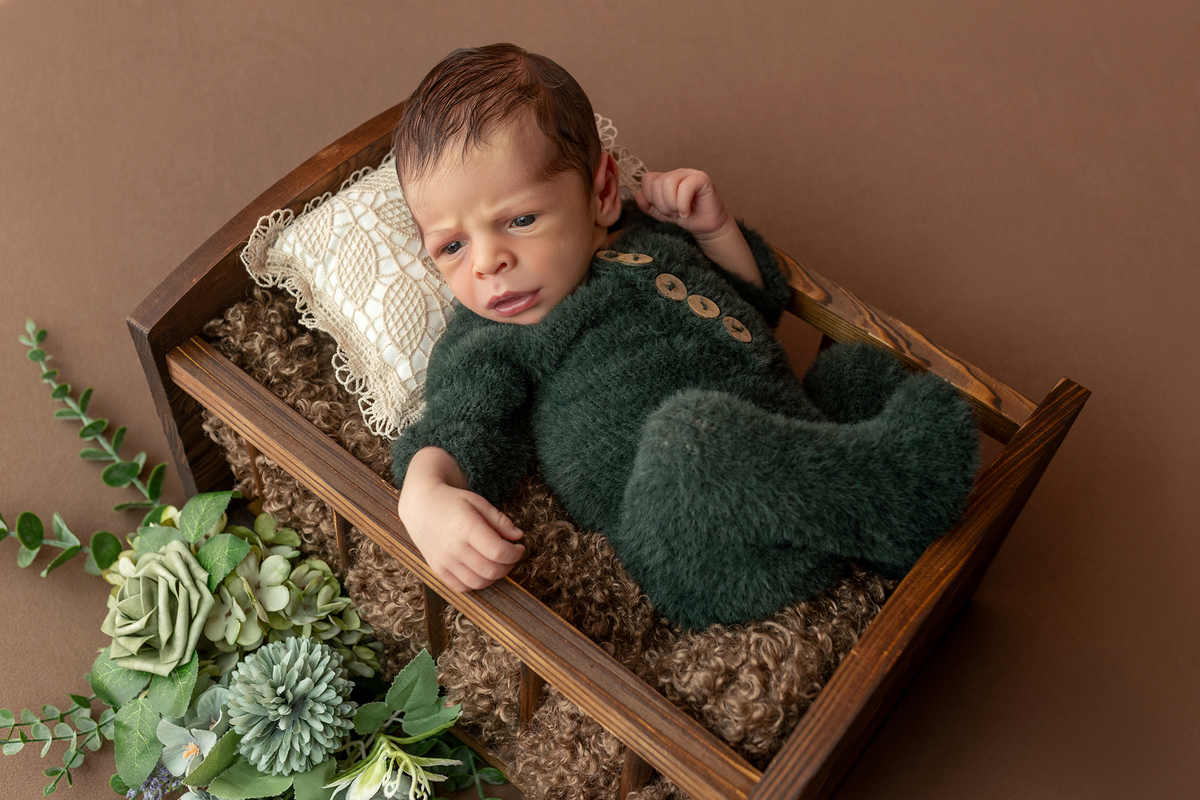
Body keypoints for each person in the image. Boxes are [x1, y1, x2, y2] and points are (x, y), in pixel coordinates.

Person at [391, 44, 978, 629]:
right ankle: (896, 500)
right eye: (452, 246)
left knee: (854, 370)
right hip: (692, 538)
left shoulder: (645, 233)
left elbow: (752, 305)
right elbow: (463, 426)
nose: (487, 263)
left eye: (520, 220)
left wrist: (715, 231)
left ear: (601, 194)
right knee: (689, 434)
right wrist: (423, 494)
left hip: (782, 444)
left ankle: (861, 500)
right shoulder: (490, 339)